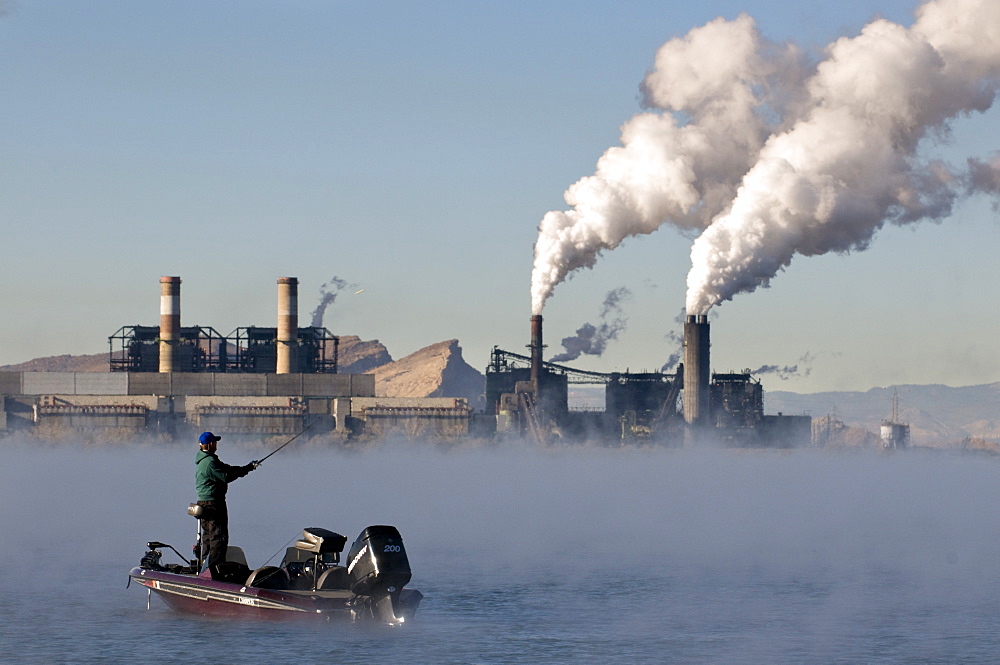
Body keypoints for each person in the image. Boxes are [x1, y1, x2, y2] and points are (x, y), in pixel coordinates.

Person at [194, 431, 258, 575]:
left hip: (205, 503)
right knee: (219, 538)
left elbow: (227, 469)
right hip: (213, 504)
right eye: (215, 442)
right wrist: (246, 470)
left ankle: (205, 568)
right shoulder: (209, 462)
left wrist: (247, 468)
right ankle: (214, 572)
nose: (216, 445)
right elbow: (226, 476)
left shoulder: (206, 460)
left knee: (208, 538)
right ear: (210, 444)